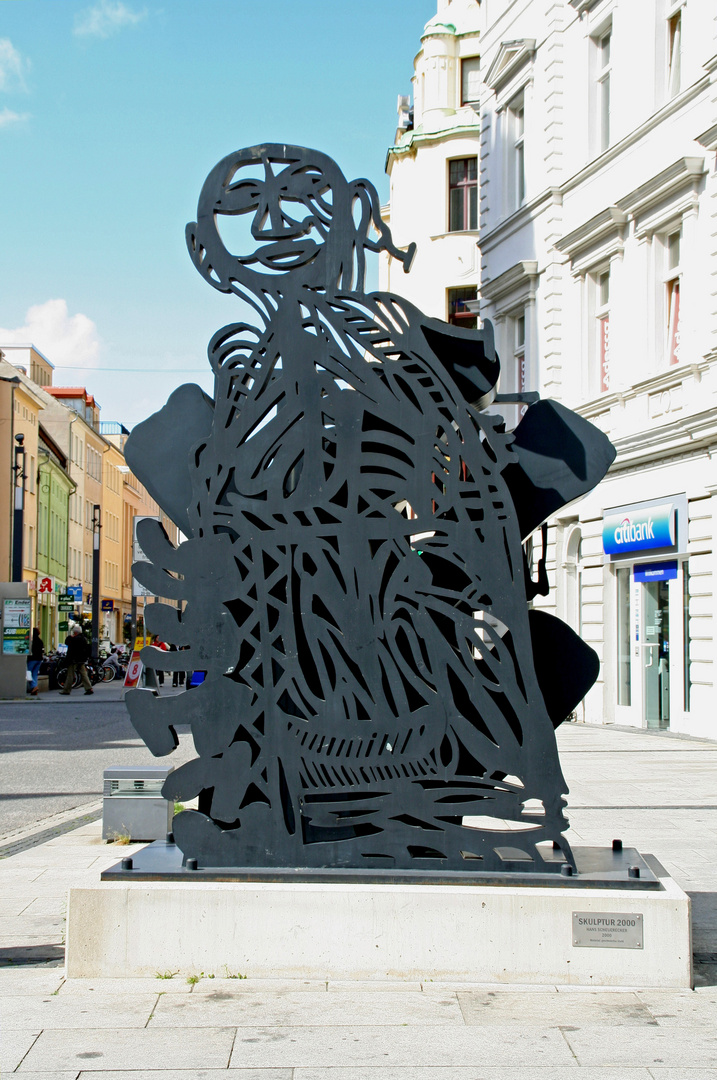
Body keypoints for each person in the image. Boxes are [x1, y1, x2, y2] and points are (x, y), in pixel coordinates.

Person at [60, 625, 93, 695]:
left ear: (75, 632)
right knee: (84, 674)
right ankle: (89, 688)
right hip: (81, 660)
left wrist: (70, 637)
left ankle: (66, 690)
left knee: (70, 675)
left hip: (73, 660)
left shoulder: (74, 639)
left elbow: (67, 643)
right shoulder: (84, 639)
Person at [26, 627, 43, 696]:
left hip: (32, 659)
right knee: (35, 674)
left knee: (28, 673)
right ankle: (34, 687)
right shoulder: (40, 641)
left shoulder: (32, 641)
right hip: (39, 659)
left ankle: (34, 686)